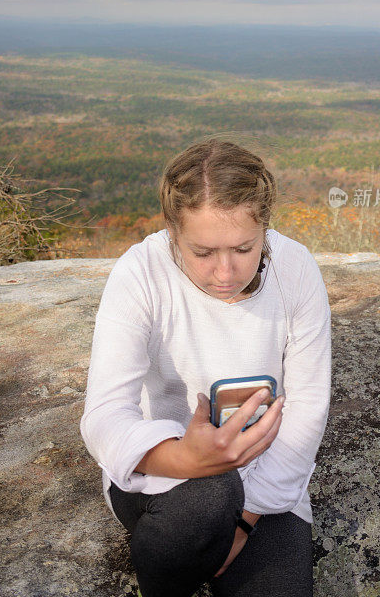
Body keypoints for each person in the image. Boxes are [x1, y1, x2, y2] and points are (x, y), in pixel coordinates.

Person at [80, 137, 332, 597]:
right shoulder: (140, 274)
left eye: (243, 248)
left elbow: (307, 407)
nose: (225, 272)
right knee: (209, 495)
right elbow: (105, 416)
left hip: (266, 480)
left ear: (265, 229)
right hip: (165, 479)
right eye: (203, 252)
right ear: (174, 234)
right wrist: (186, 457)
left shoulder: (295, 270)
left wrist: (244, 523)